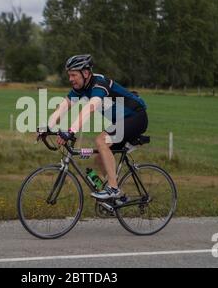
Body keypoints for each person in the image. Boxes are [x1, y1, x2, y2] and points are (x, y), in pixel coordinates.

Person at [47, 54, 148, 200]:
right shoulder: (82, 87)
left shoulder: (99, 84)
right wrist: (46, 126)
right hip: (121, 122)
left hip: (136, 117)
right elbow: (63, 107)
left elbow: (90, 108)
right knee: (100, 159)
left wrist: (71, 131)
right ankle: (119, 197)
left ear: (86, 73)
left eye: (73, 75)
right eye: (69, 75)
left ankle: (113, 189)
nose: (70, 79)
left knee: (101, 141)